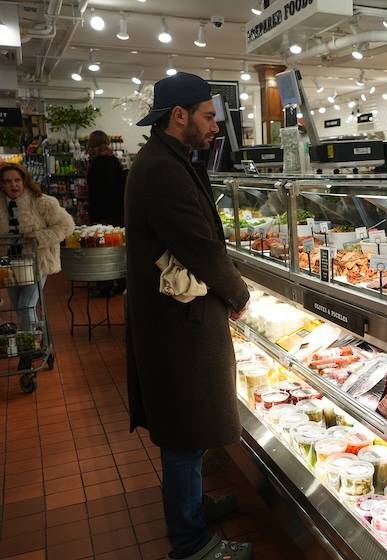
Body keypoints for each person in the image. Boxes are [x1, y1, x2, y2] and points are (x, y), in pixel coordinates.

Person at [125, 73, 252, 560]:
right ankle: (191, 543)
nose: (215, 127)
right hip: (175, 325)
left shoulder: (168, 158)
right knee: (183, 435)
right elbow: (199, 244)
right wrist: (238, 293)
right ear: (179, 116)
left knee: (189, 431)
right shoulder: (162, 169)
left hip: (176, 317)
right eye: (208, 117)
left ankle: (193, 508)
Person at [0, 162, 75, 371]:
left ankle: (28, 352)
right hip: (9, 266)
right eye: (8, 182)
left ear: (24, 181)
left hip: (38, 262)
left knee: (26, 304)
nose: (14, 185)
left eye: (17, 180)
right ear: (2, 185)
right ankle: (42, 341)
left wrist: (39, 236)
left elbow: (67, 225)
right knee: (20, 307)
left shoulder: (42, 202)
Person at [87, 130, 127, 296]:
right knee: (118, 248)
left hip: (101, 215)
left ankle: (105, 285)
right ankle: (122, 283)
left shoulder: (96, 164)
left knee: (102, 248)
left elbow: (94, 193)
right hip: (118, 213)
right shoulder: (114, 161)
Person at [87, 130, 126, 226]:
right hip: (118, 210)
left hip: (100, 212)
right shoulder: (114, 160)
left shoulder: (95, 164)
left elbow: (93, 191)